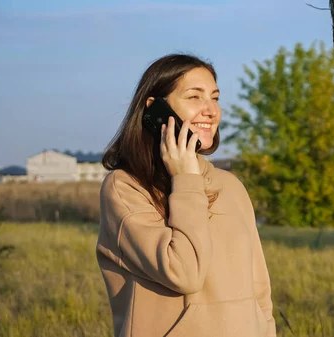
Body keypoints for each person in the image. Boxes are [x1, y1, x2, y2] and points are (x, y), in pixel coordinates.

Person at [96, 54, 276, 337]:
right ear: (156, 110)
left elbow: (259, 291)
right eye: (194, 97)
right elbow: (184, 273)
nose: (211, 111)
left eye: (215, 98)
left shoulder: (229, 185)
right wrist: (185, 180)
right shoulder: (125, 188)